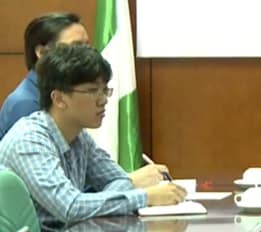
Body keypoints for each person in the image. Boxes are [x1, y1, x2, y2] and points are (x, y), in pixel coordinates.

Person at [0, 44, 186, 232]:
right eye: (91, 91)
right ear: (59, 99)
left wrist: (102, 200)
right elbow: (71, 207)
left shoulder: (79, 135)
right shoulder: (30, 141)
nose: (103, 100)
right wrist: (145, 197)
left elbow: (119, 179)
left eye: (104, 90)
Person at [0, 13, 168, 188]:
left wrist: (123, 183)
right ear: (42, 53)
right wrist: (132, 184)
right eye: (77, 47)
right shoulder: (26, 106)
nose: (87, 54)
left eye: (88, 46)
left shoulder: (76, 128)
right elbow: (64, 196)